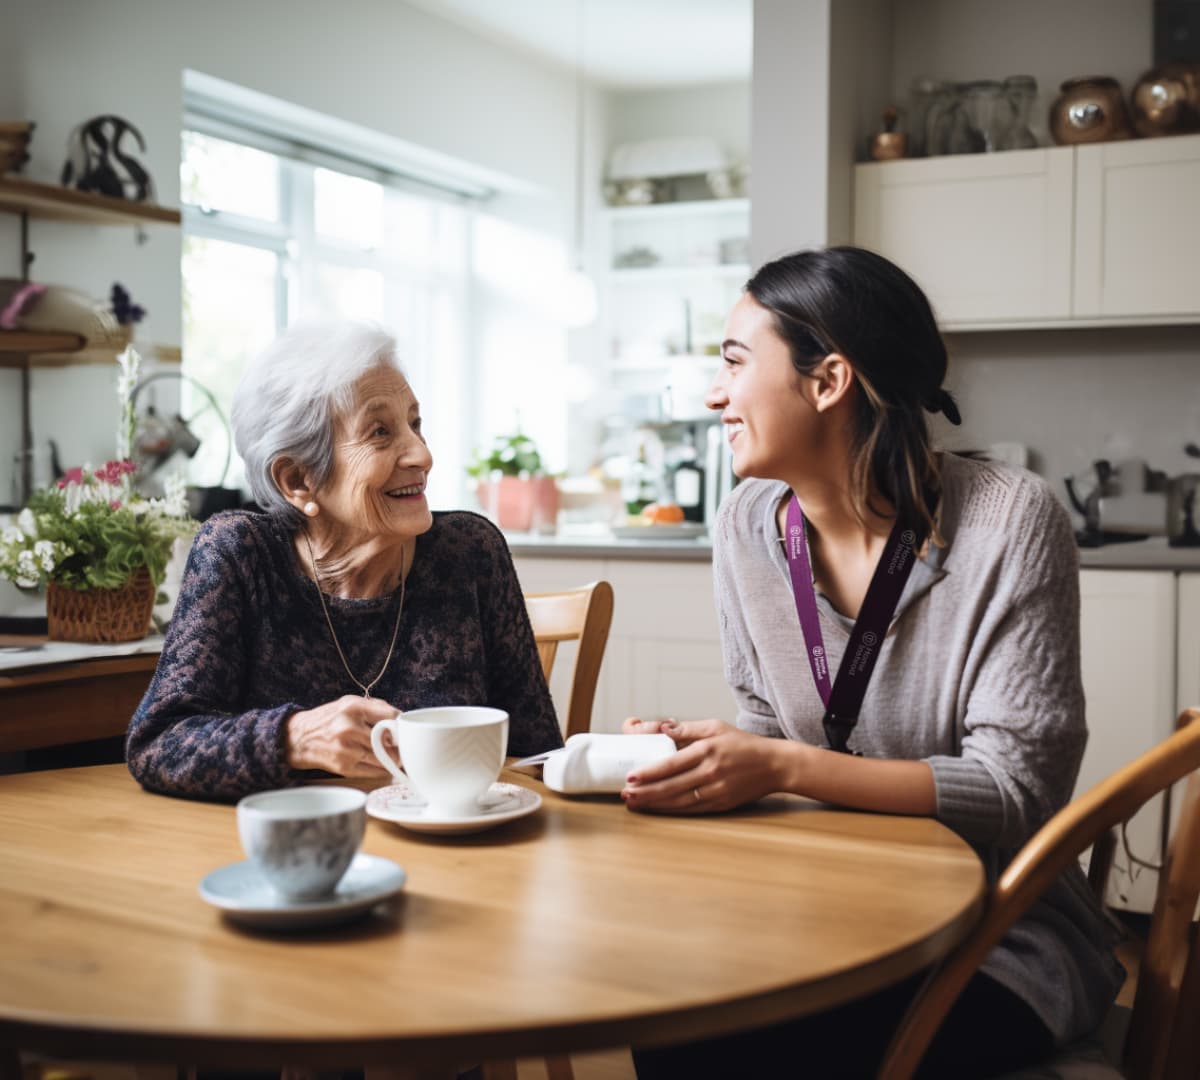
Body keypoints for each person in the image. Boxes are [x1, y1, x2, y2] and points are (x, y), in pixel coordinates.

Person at [620, 247, 1124, 1078]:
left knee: (745, 1042)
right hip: (825, 904)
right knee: (671, 1010)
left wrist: (781, 764)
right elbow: (771, 731)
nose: (716, 394)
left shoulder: (1008, 522)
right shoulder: (748, 525)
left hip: (995, 935)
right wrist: (711, 756)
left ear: (829, 382)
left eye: (736, 363)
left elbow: (1013, 789)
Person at [127, 322, 561, 802]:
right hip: (291, 854)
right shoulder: (240, 554)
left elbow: (536, 754)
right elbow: (158, 743)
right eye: (380, 432)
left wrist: (626, 761)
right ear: (298, 480)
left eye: (414, 424)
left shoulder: (469, 551)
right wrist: (292, 736)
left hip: (453, 852)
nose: (422, 454)